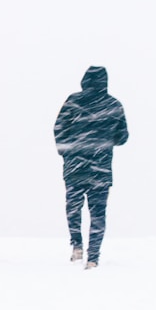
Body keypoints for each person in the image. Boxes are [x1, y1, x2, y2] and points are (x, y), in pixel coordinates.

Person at [53, 66, 129, 269]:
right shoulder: (114, 105)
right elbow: (123, 138)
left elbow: (59, 128)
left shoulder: (73, 101)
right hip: (100, 169)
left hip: (75, 167)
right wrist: (104, 139)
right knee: (97, 213)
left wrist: (67, 152)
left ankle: (77, 245)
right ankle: (93, 258)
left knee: (73, 208)